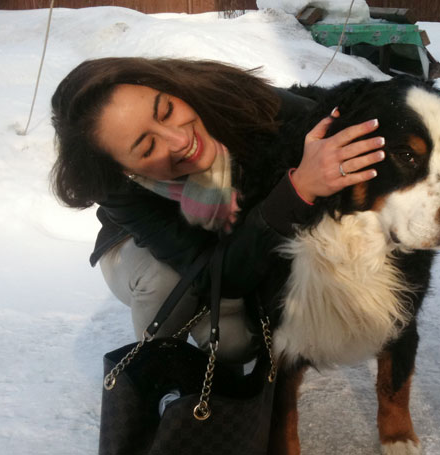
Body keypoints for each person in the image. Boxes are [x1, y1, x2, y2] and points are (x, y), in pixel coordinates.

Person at [50, 57, 385, 363]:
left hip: (230, 240)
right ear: (125, 170)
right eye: (149, 146)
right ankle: (159, 373)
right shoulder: (119, 188)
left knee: (233, 344)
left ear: (170, 88)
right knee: (167, 281)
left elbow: (324, 120)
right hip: (138, 251)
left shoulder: (232, 97)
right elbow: (212, 273)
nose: (180, 140)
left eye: (166, 111)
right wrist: (297, 190)